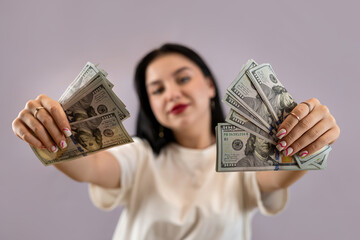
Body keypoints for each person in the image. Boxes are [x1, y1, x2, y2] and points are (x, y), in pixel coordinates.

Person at [12, 43, 340, 240]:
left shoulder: (244, 159)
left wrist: (313, 141)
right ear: (151, 106)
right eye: (157, 90)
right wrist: (50, 136)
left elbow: (280, 174)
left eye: (183, 78)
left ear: (210, 85)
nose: (172, 93)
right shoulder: (137, 156)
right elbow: (90, 166)